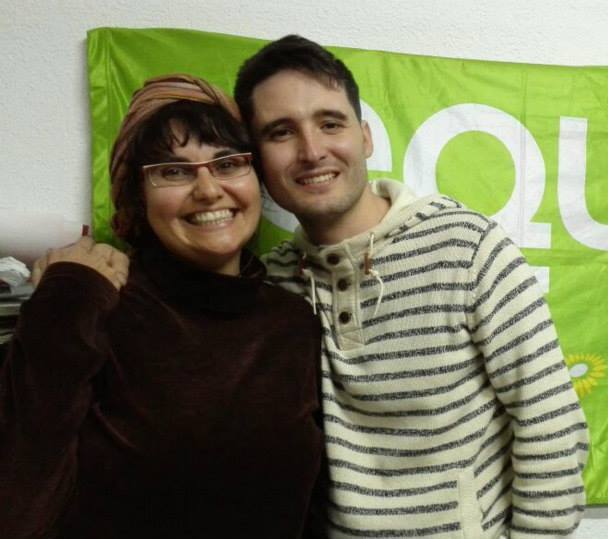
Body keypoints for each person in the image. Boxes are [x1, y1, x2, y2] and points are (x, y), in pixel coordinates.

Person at [234, 36, 589, 538]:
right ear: (256, 160)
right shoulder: (270, 285)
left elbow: (551, 426)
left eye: (330, 123)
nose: (312, 151)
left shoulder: (466, 248)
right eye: (281, 132)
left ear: (365, 137)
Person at [0, 75, 326, 539]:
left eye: (228, 163)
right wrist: (67, 297)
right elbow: (20, 500)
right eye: (173, 171)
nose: (208, 190)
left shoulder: (293, 322)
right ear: (138, 197)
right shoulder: (99, 302)